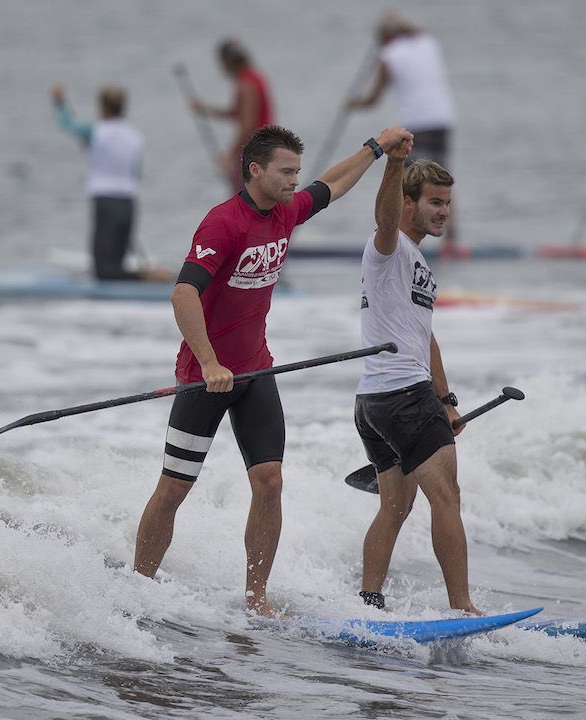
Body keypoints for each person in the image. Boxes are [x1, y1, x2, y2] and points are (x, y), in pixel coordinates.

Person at [134, 124, 414, 618]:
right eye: (285, 172)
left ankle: (255, 598)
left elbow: (331, 184)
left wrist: (375, 149)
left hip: (256, 374)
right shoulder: (223, 223)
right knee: (175, 485)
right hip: (206, 378)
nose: (293, 181)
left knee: (270, 482)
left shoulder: (286, 212)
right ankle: (137, 586)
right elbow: (183, 293)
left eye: (296, 173)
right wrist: (208, 361)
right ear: (255, 171)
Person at [354, 155, 481, 615]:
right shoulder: (387, 247)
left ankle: (369, 604)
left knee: (396, 505)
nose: (444, 211)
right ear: (407, 204)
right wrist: (392, 164)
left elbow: (424, 336)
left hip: (374, 400)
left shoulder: (415, 259)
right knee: (447, 497)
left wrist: (446, 401)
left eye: (447, 203)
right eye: (433, 202)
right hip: (402, 395)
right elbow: (384, 216)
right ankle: (462, 606)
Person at [345, 11, 462, 258]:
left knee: (406, 182)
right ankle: (452, 240)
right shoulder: (427, 42)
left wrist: (354, 104)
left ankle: (398, 236)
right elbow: (415, 30)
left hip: (415, 124)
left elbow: (374, 98)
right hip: (442, 119)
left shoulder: (388, 55)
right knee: (442, 178)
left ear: (385, 37)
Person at [51, 84, 172, 281]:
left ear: (103, 107)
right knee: (114, 265)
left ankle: (149, 275)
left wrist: (59, 103)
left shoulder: (95, 131)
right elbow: (136, 174)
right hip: (128, 204)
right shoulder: (136, 137)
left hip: (106, 202)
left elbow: (67, 124)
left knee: (104, 271)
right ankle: (146, 276)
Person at [189, 39, 274, 191]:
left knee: (244, 198)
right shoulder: (254, 76)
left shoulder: (246, 83)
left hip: (256, 150)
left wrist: (229, 156)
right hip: (267, 146)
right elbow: (237, 113)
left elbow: (247, 126)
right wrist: (206, 110)